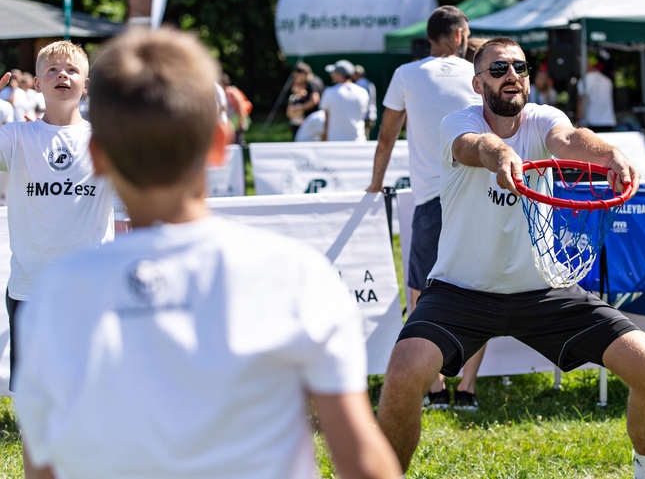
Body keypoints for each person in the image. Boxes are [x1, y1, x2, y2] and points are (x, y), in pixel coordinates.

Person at [13, 27, 402, 479]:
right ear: (219, 145)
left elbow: (43, 464)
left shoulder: (56, 295)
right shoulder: (296, 275)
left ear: (97, 156)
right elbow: (361, 460)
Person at [376, 37, 645, 478]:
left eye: (520, 66)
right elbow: (474, 146)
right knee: (402, 375)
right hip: (461, 291)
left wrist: (610, 154)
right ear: (478, 85)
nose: (512, 75)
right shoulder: (457, 122)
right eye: (498, 69)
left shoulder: (544, 118)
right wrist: (501, 155)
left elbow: (572, 139)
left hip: (544, 291)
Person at [0, 41, 119, 477]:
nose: (62, 74)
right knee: (38, 413)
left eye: (72, 69)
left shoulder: (106, 141)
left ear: (86, 84)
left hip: (93, 296)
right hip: (31, 294)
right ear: (36, 82)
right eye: (51, 69)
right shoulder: (16, 137)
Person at [367, 5, 486, 410]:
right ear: (457, 36)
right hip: (478, 196)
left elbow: (386, 138)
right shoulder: (480, 76)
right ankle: (467, 390)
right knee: (479, 291)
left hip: (433, 199)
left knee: (422, 296)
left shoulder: (407, 74)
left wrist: (375, 183)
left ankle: (434, 388)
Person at [320, 59, 370, 142]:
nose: (332, 75)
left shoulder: (329, 92)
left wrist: (324, 137)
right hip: (358, 141)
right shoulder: (363, 92)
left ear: (340, 74)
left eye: (334, 73)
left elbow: (326, 119)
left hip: (335, 142)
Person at [576, 54, 616, 132]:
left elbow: (581, 102)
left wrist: (578, 123)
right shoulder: (607, 81)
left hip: (592, 122)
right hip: (609, 121)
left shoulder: (585, 80)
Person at [285, 61, 322, 137]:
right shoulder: (316, 80)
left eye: (297, 76)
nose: (296, 79)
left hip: (313, 118)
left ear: (303, 73)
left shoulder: (312, 83)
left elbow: (314, 100)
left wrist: (300, 107)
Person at [353, 64, 377, 137]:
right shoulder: (368, 83)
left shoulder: (360, 84)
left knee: (364, 139)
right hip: (370, 115)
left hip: (365, 116)